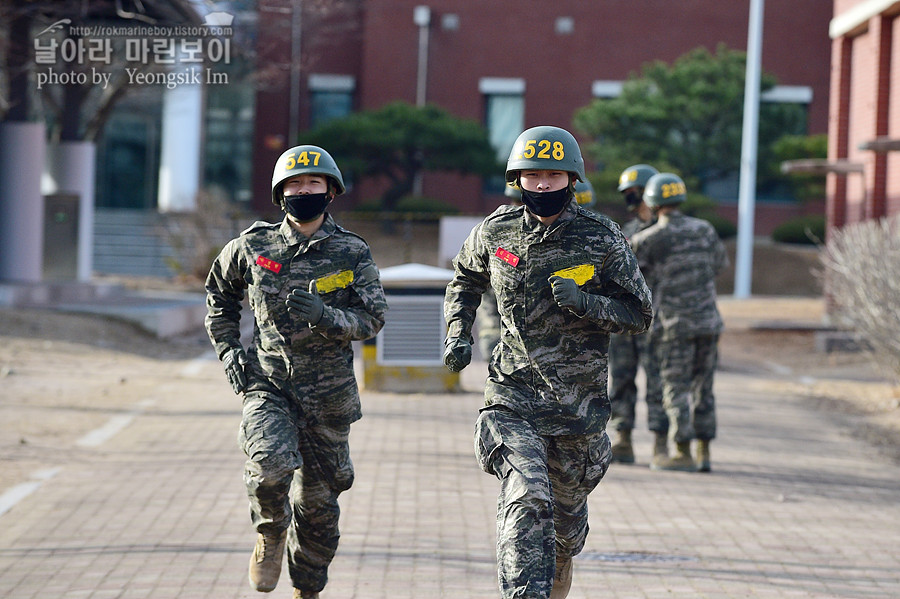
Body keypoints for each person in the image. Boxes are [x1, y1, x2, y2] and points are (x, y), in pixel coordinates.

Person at [442, 126, 652, 599]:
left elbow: (640, 313)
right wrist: (458, 332)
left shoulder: (600, 238)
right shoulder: (495, 231)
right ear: (518, 179)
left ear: (571, 179)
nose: (541, 186)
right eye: (532, 175)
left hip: (576, 408)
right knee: (526, 492)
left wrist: (587, 303)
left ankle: (559, 559)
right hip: (512, 394)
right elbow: (464, 278)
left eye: (552, 175)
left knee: (564, 522)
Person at [204, 145, 387, 598]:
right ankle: (269, 533)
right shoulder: (252, 245)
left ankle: (306, 588)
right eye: (294, 184)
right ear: (280, 192)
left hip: (329, 398)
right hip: (270, 385)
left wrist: (328, 316)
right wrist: (230, 352)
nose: (302, 190)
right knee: (269, 469)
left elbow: (372, 319)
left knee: (320, 512)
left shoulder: (351, 251)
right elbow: (219, 299)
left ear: (330, 192)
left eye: (312, 183)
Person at [629, 172, 727, 473]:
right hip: (709, 322)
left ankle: (681, 450)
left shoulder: (648, 239)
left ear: (652, 202)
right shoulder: (705, 230)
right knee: (704, 387)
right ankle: (704, 450)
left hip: (674, 325)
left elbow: (629, 276)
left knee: (674, 386)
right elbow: (720, 266)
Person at [607, 164, 668, 464]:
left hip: (659, 319)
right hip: (625, 319)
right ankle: (623, 437)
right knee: (620, 378)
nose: (630, 199)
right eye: (627, 194)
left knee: (658, 381)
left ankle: (660, 441)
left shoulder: (669, 231)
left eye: (635, 193)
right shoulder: (625, 232)